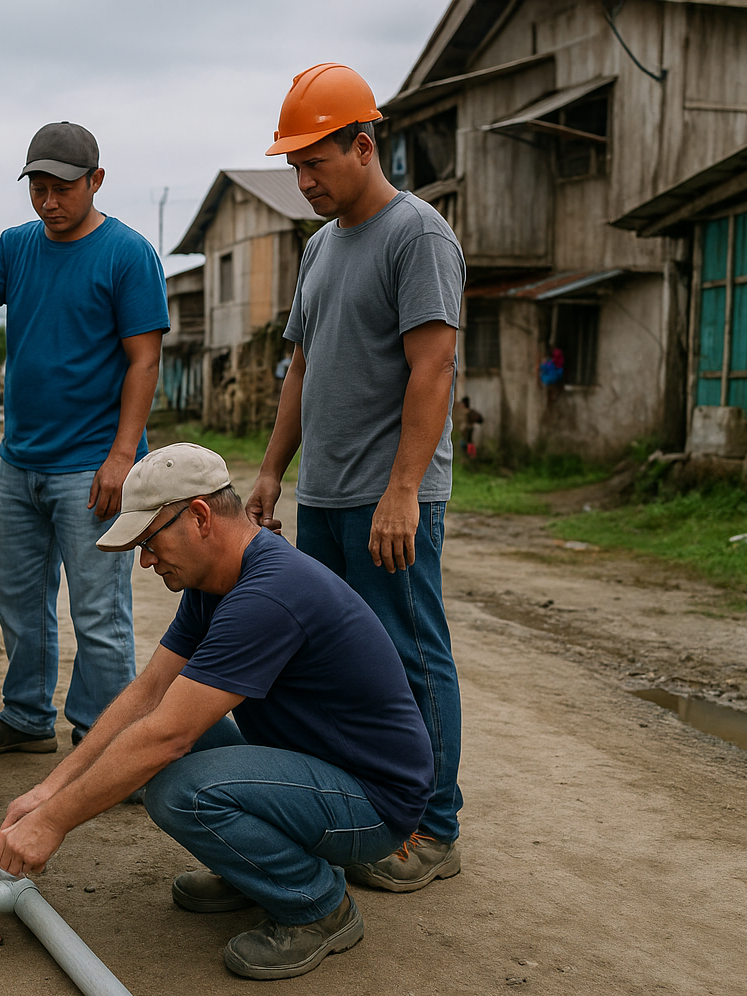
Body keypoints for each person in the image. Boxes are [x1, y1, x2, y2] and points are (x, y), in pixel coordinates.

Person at [0, 443, 434, 980]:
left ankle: (317, 905)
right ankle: (258, 870)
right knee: (169, 739)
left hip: (374, 803)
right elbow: (149, 693)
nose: (145, 561)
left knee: (180, 786)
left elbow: (165, 738)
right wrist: (46, 792)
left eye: (148, 541)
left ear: (198, 516)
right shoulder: (216, 580)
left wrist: (51, 826)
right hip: (314, 770)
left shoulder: (269, 595)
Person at [243, 64, 467, 893]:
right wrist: (271, 471)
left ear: (364, 145)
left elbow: (433, 369)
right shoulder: (318, 245)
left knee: (413, 659)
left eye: (317, 163)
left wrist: (404, 489)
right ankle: (358, 816)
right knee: (334, 667)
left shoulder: (418, 235)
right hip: (327, 499)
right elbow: (300, 367)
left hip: (391, 502)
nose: (304, 182)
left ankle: (434, 827)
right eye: (295, 167)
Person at [0, 121, 169, 756]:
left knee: (99, 612)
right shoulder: (17, 246)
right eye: (39, 188)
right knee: (19, 599)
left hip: (92, 466)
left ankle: (105, 736)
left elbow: (144, 361)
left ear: (95, 181)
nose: (49, 201)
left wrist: (121, 458)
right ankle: (26, 718)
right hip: (19, 463)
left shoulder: (127, 254)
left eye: (62, 188)